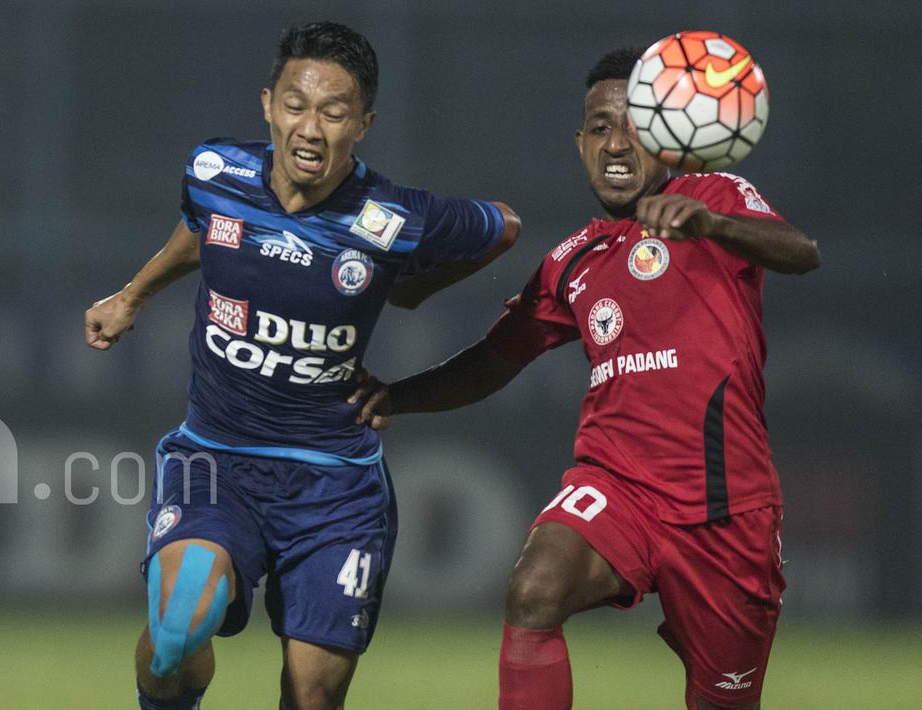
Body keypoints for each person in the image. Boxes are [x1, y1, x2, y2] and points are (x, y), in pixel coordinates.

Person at [350, 46, 819, 710]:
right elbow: (489, 363)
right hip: (617, 486)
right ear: (579, 144)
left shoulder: (708, 198)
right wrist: (393, 395)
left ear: (668, 138)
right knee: (534, 587)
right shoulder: (571, 262)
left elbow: (802, 252)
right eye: (599, 127)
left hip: (724, 510)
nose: (614, 141)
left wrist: (712, 224)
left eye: (633, 124)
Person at [84, 22, 520, 710]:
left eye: (333, 111)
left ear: (364, 123)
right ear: (267, 105)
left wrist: (411, 284)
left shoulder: (394, 218)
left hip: (334, 488)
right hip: (215, 462)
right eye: (295, 105)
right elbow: (202, 231)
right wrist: (132, 294)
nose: (310, 128)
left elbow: (504, 225)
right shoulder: (213, 172)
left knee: (312, 698)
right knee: (173, 636)